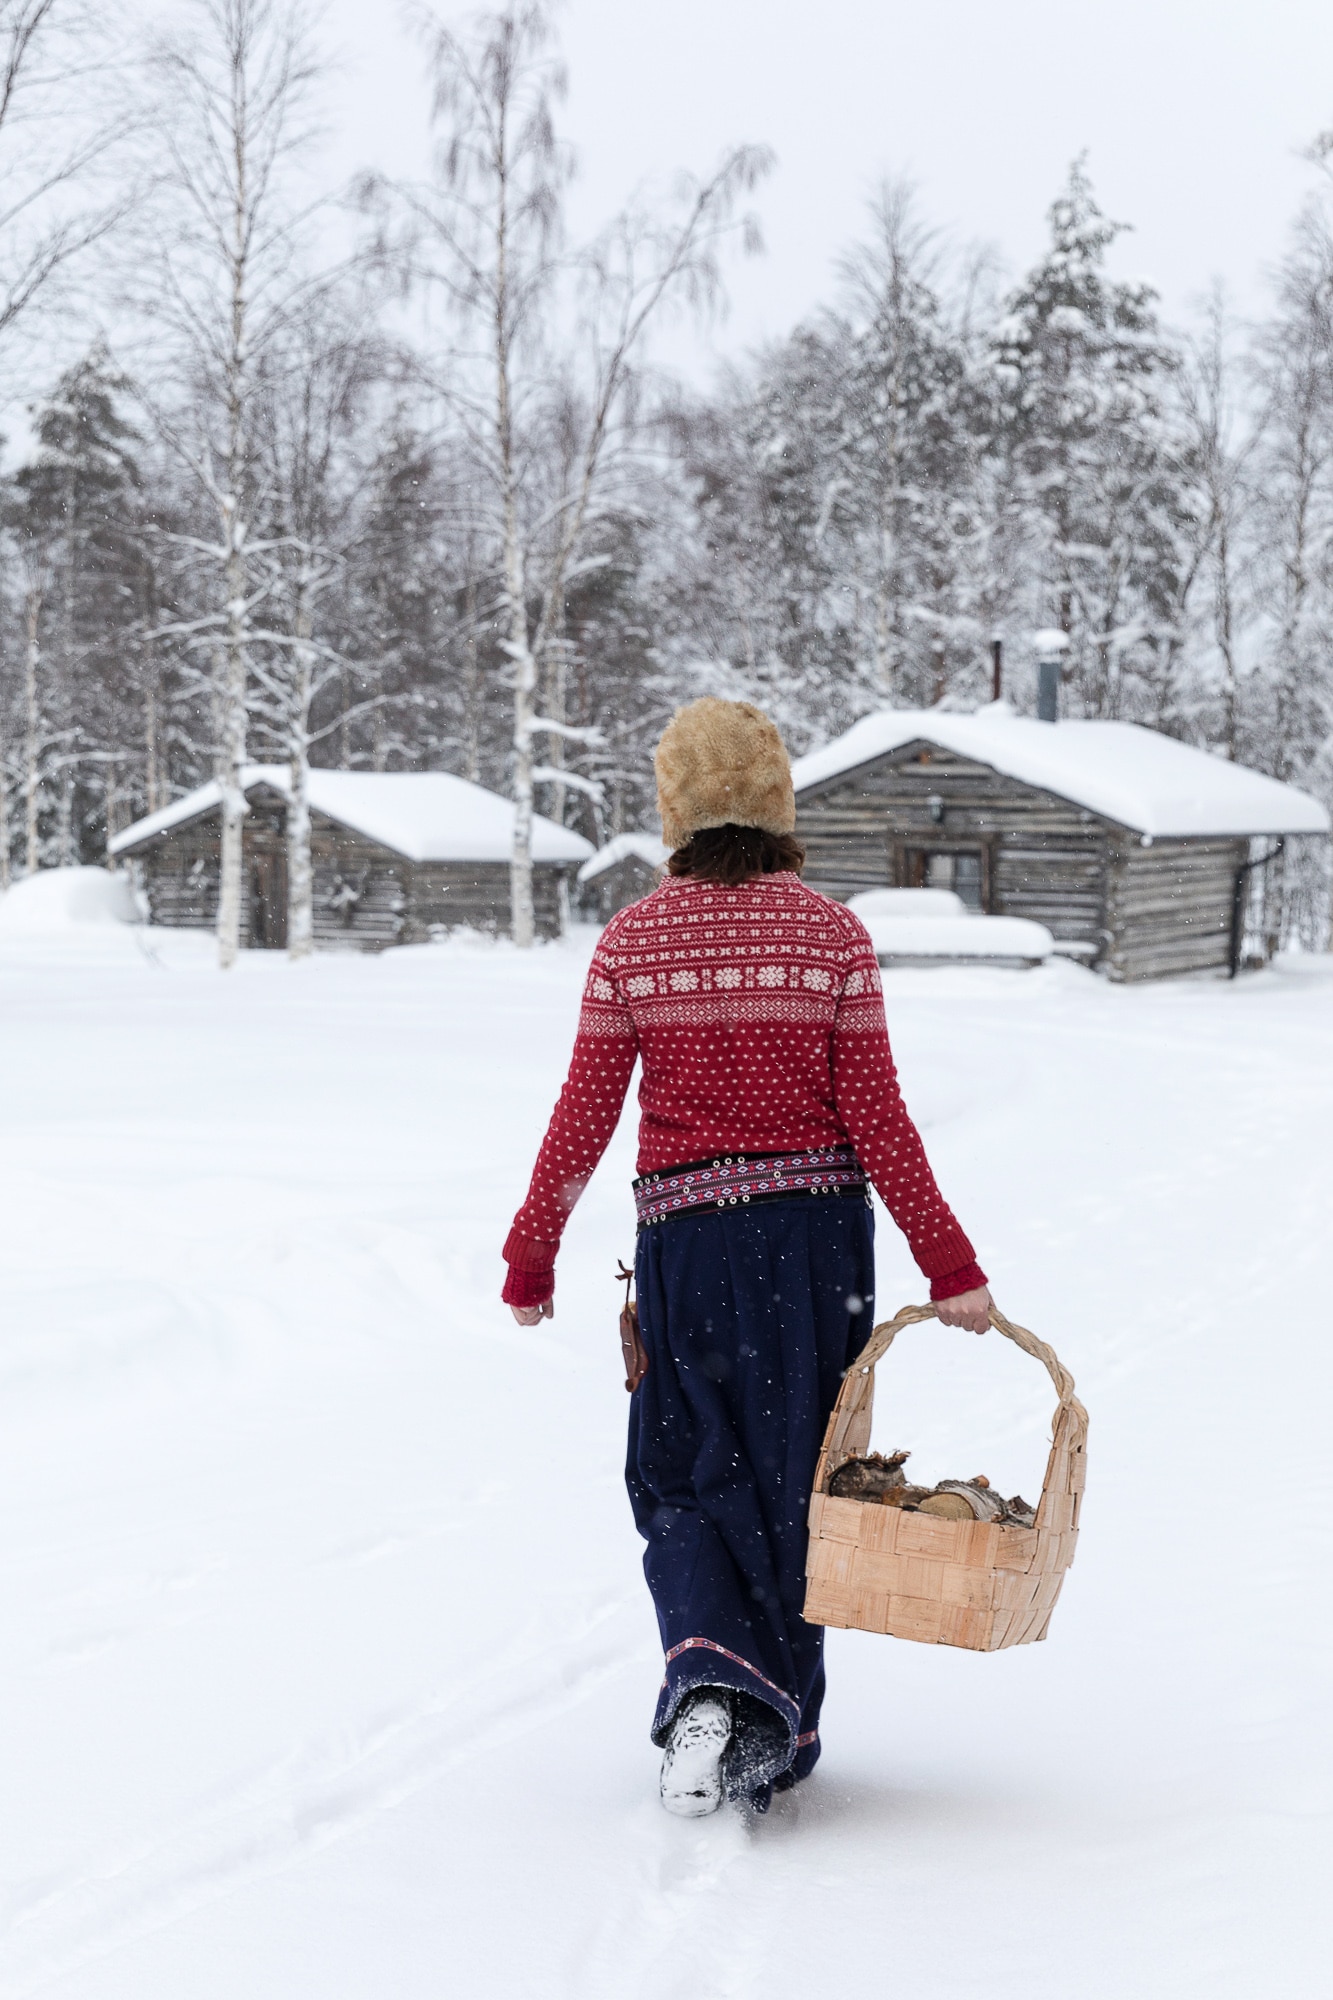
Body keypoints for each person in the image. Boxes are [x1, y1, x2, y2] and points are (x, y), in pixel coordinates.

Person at [502, 697, 990, 1817]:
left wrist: (532, 1254)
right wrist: (950, 1264)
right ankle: (776, 1720)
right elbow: (883, 1120)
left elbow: (580, 1114)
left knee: (678, 1471)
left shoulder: (631, 939)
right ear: (779, 798)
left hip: (687, 1245)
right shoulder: (831, 937)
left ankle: (709, 1680)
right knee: (796, 1484)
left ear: (674, 806)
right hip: (816, 1252)